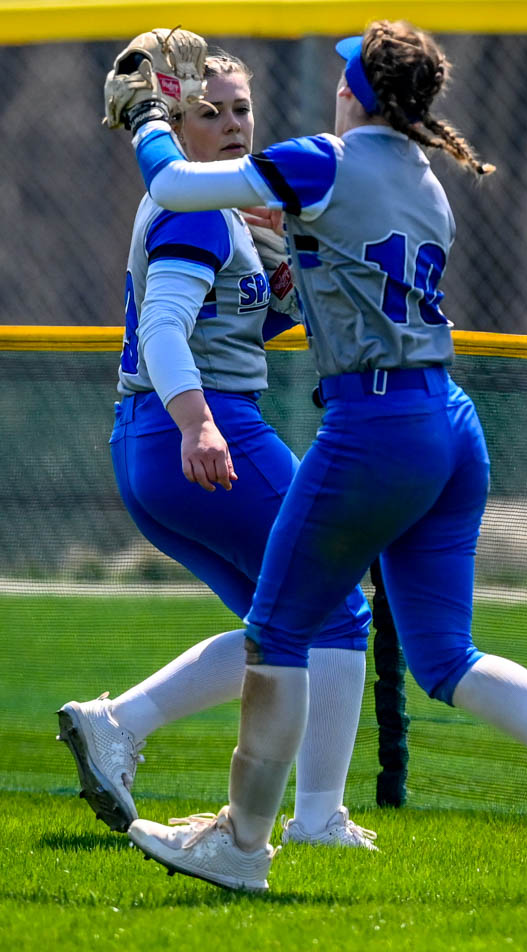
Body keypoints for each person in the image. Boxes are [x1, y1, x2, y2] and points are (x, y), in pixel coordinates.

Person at [111, 20, 527, 892]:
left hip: (376, 427)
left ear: (357, 90)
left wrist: (145, 116)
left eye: (343, 74)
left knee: (281, 631)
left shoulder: (324, 158)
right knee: (446, 656)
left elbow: (177, 184)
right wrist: (282, 228)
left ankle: (242, 846)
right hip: (449, 419)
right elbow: (331, 265)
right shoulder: (424, 177)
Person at [57, 49, 379, 851]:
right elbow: (166, 331)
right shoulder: (198, 211)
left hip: (151, 445)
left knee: (279, 628)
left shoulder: (226, 214)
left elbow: (233, 326)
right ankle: (317, 821)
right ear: (176, 128)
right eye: (211, 112)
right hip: (201, 432)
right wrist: (201, 422)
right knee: (338, 606)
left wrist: (281, 283)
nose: (234, 125)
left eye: (241, 109)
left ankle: (114, 724)